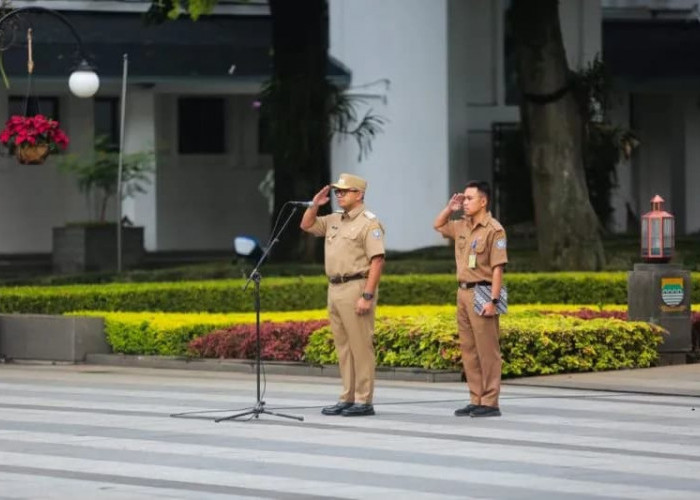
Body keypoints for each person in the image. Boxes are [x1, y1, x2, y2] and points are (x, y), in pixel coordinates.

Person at [300, 173, 385, 417]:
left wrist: (367, 296)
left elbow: (377, 261)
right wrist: (314, 205)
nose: (339, 194)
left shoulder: (370, 224)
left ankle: (363, 400)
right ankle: (347, 397)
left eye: (345, 191)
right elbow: (306, 225)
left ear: (359, 194)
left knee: (361, 346)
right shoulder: (334, 219)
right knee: (344, 347)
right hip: (334, 288)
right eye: (338, 191)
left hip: (356, 286)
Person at [433, 180, 508, 418]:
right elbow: (438, 224)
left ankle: (490, 401)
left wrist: (494, 301)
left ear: (483, 201)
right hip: (463, 291)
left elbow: (498, 268)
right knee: (469, 349)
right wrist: (449, 208)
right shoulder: (462, 226)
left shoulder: (494, 229)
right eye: (463, 198)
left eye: (469, 198)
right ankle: (476, 397)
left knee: (487, 350)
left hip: (484, 291)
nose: (464, 202)